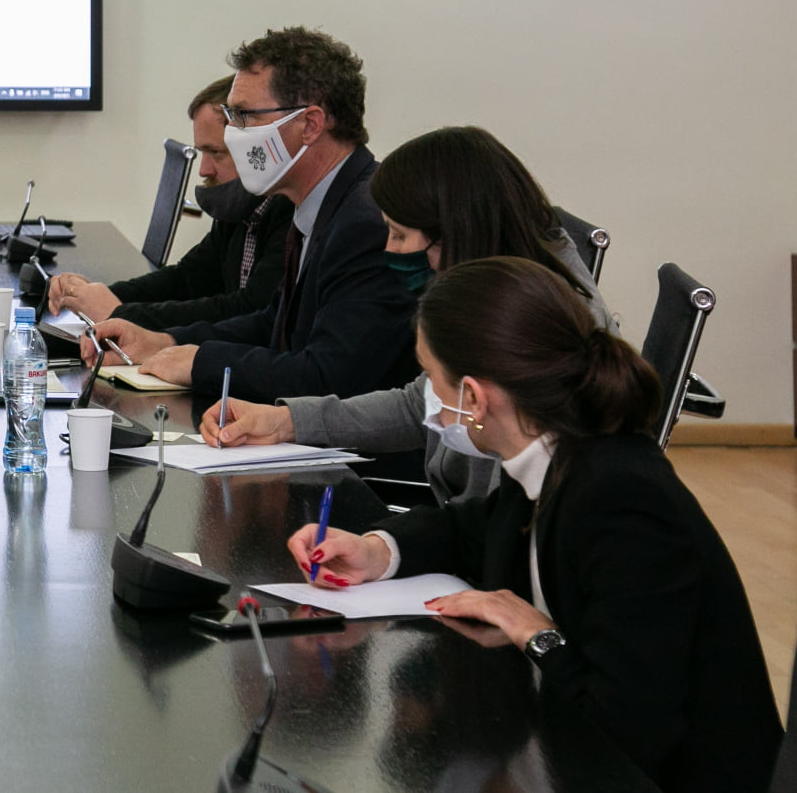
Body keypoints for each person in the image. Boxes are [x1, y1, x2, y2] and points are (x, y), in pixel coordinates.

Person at [290, 257, 782, 792]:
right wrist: (377, 550)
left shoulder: (622, 500)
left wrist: (536, 634)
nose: (428, 397)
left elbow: (627, 730)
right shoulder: (554, 449)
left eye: (432, 377)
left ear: (474, 398)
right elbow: (471, 530)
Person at [200, 126, 617, 503]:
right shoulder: (493, 293)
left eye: (399, 235)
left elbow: (495, 523)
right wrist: (286, 421)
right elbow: (421, 402)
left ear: (453, 232)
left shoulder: (527, 330)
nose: (389, 250)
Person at [89, 26, 416, 400]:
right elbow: (272, 325)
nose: (233, 133)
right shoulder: (315, 204)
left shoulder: (366, 222)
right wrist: (163, 341)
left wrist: (201, 363)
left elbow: (330, 376)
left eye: (244, 116)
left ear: (310, 124)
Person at [48, 74, 294, 329]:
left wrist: (121, 312)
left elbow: (250, 309)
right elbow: (186, 279)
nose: (204, 170)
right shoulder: (238, 209)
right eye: (202, 152)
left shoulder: (289, 213)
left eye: (216, 152)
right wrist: (96, 295)